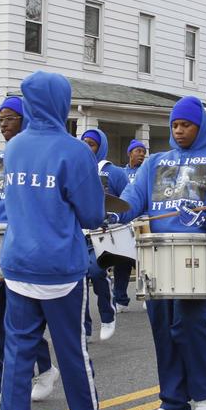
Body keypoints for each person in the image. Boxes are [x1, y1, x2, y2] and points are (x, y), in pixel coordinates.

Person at [0, 70, 126, 410]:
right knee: (73, 355)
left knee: (17, 358)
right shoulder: (74, 151)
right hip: (59, 270)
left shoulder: (13, 147)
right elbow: (89, 213)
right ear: (61, 103)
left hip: (17, 264)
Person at [116, 95, 206, 410]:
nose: (178, 130)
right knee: (163, 327)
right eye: (174, 124)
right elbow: (131, 201)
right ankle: (174, 402)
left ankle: (202, 395)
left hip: (202, 252)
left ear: (200, 125)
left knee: (190, 325)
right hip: (158, 253)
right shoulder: (155, 163)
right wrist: (113, 212)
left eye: (186, 124)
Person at [0, 96, 59, 409]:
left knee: (21, 319)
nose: (4, 124)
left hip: (23, 245)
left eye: (10, 118)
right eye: (1, 119)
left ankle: (45, 369)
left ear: (26, 120)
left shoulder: (35, 156)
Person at [80, 129, 128, 340]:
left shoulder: (114, 172)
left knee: (97, 273)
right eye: (84, 143)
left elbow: (127, 201)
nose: (87, 148)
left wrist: (115, 216)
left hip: (104, 233)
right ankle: (85, 328)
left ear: (101, 147)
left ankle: (108, 316)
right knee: (78, 282)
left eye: (91, 144)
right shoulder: (75, 169)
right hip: (78, 234)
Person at [114, 139, 147, 307]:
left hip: (143, 223)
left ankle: (146, 293)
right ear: (129, 153)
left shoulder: (147, 173)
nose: (141, 153)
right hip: (124, 224)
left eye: (143, 151)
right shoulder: (121, 172)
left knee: (145, 261)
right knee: (122, 261)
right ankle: (120, 299)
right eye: (138, 150)